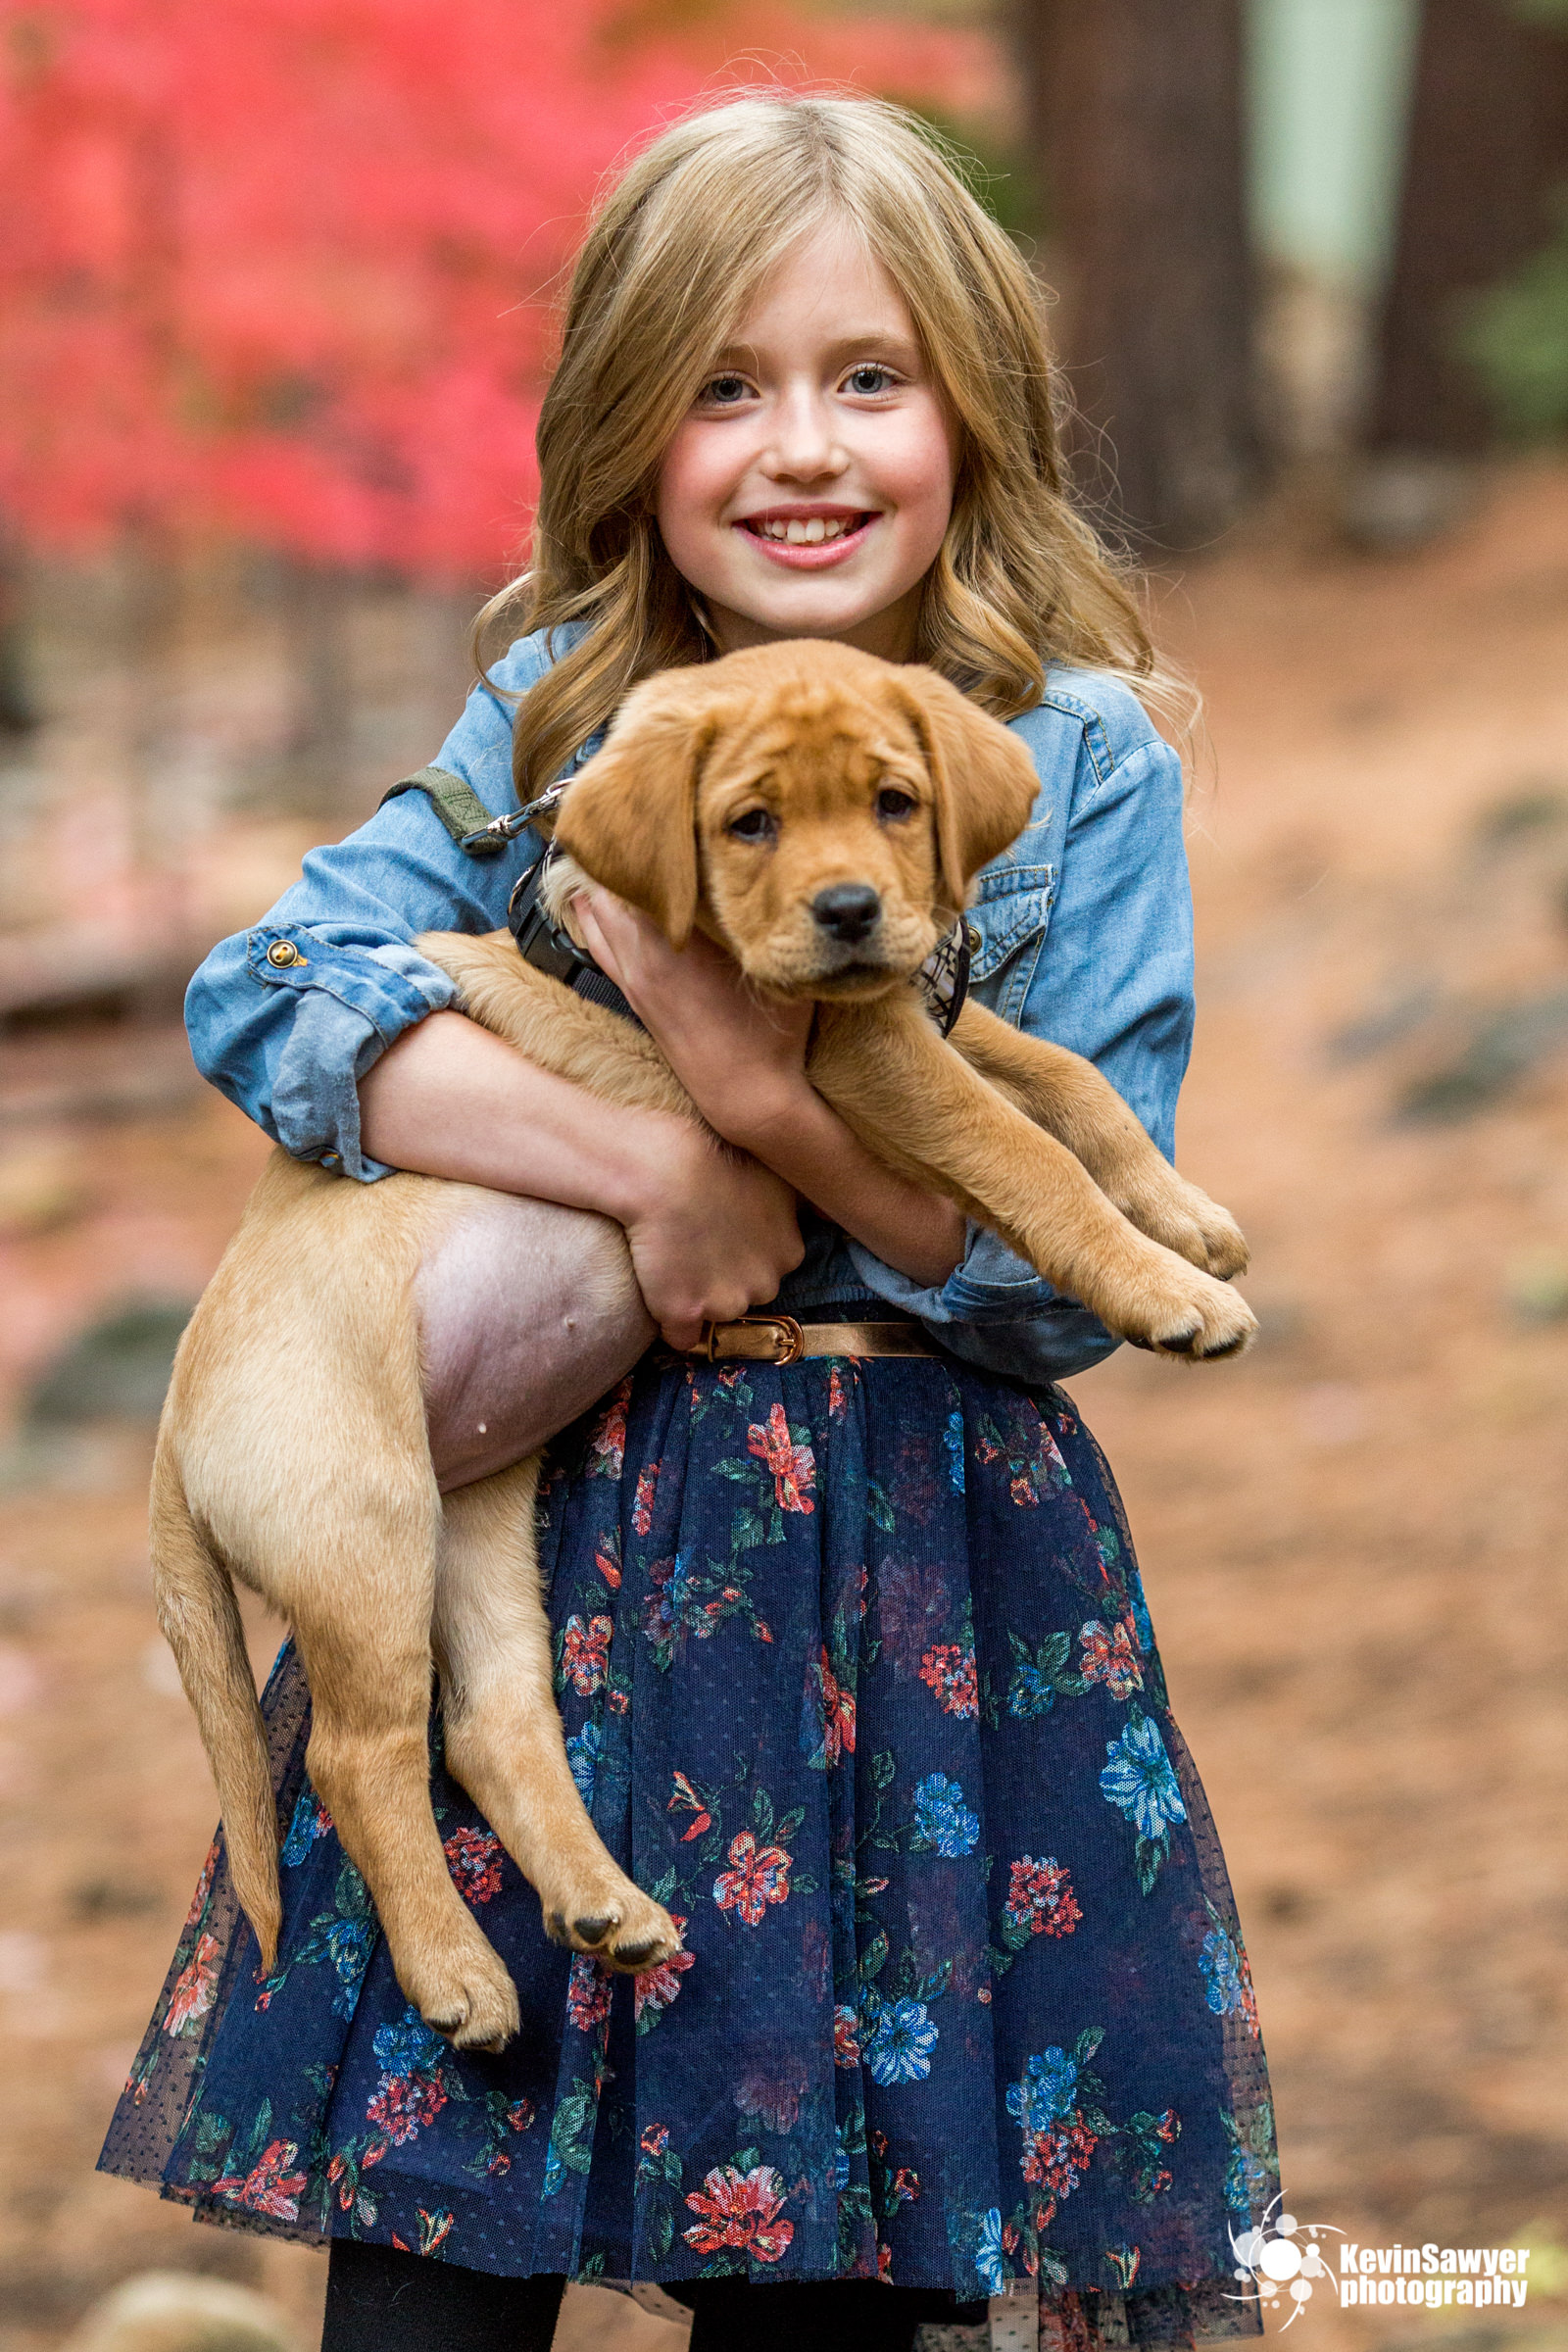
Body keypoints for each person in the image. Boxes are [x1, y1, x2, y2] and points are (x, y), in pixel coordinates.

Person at [100, 92, 1278, 2352]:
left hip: (909, 1585)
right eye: (723, 387)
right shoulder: (558, 718)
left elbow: (1043, 1294)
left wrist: (749, 1099)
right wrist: (644, 1164)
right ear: (628, 435)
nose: (798, 448)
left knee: (829, 2270)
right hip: (563, 1555)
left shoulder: (1078, 756)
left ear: (975, 414)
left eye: (867, 378)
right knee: (433, 2251)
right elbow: (265, 995)